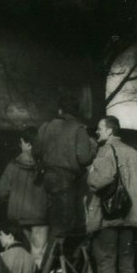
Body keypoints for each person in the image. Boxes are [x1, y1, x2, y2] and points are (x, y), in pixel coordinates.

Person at [85, 116, 137, 273]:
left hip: (108, 219)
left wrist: (90, 174)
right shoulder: (136, 155)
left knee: (106, 265)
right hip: (131, 220)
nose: (97, 132)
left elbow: (99, 181)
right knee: (127, 266)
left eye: (100, 129)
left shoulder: (105, 152)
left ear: (110, 131)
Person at [35, 98, 96, 240]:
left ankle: (51, 258)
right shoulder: (78, 129)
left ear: (60, 110)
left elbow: (36, 151)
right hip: (66, 181)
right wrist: (93, 150)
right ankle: (59, 259)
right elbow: (84, 158)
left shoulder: (46, 126)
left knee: (52, 221)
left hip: (47, 179)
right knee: (66, 226)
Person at [0, 129, 50, 270]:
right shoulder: (46, 166)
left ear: (26, 143)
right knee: (38, 256)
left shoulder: (12, 166)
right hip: (40, 218)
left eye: (21, 142)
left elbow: (2, 192)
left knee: (21, 253)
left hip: (18, 218)